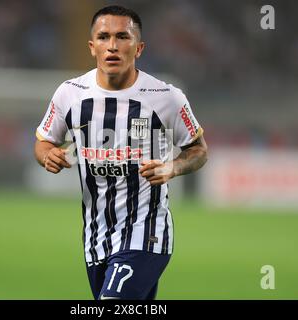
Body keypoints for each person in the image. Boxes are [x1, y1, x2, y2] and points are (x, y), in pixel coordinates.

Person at [34, 5, 208, 300]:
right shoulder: (70, 93)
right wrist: (47, 154)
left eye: (122, 37)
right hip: (96, 237)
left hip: (146, 231)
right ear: (92, 47)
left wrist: (172, 168)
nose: (112, 46)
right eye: (103, 37)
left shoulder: (167, 98)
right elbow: (43, 141)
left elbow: (199, 150)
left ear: (138, 48)